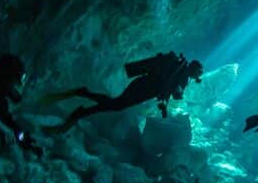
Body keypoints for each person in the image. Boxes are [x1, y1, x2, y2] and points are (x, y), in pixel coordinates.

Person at [42, 52, 203, 134]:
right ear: (194, 69)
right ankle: (81, 106)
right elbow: (173, 92)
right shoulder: (182, 76)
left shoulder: (179, 70)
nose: (198, 77)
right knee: (116, 105)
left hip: (142, 86)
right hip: (143, 89)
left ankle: (82, 106)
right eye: (198, 73)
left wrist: (164, 105)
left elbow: (166, 90)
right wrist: (174, 98)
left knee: (116, 104)